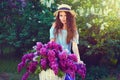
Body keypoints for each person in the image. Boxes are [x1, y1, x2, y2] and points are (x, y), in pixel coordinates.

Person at [39, 4, 83, 80]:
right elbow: (51, 44)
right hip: (56, 59)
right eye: (61, 15)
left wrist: (78, 59)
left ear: (69, 17)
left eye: (65, 15)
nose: (63, 18)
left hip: (68, 58)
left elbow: (74, 46)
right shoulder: (54, 28)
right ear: (58, 17)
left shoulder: (73, 30)